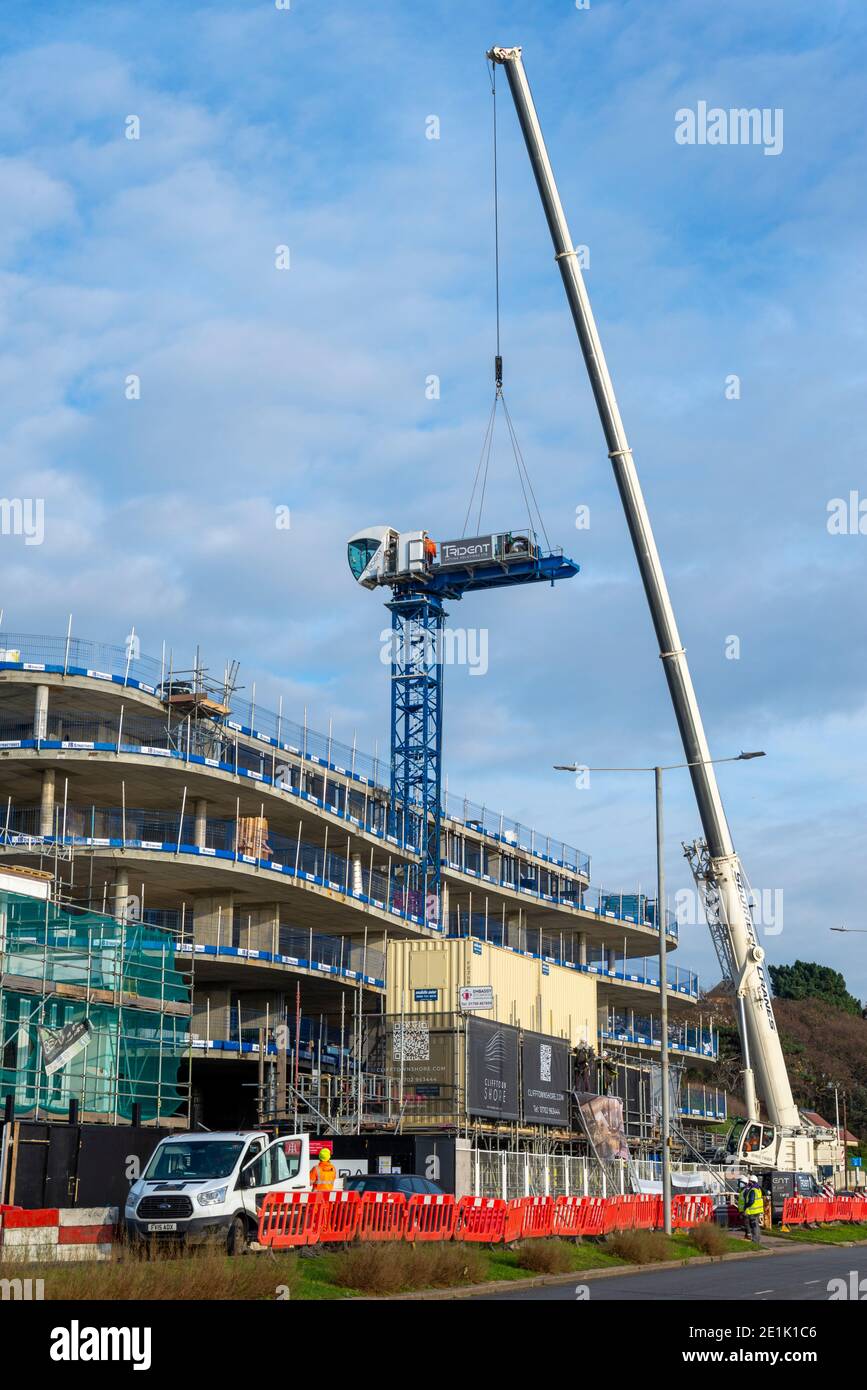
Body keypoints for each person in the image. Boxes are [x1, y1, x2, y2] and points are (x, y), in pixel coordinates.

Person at [737, 1176, 764, 1244]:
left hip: (752, 1211)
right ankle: (756, 1239)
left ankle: (755, 1240)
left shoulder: (752, 1190)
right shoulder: (757, 1189)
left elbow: (751, 1201)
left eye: (750, 1181)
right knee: (755, 1226)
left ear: (751, 1182)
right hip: (756, 1211)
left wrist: (746, 1206)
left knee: (754, 1226)